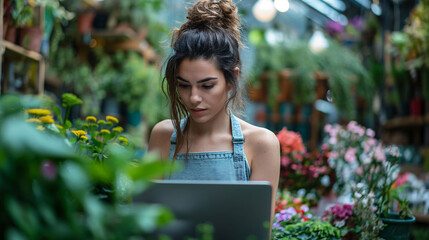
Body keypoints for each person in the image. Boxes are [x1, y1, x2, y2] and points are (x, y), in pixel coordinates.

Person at [148, 0, 280, 226]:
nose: (193, 98)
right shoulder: (162, 136)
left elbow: (258, 232)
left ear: (233, 79)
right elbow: (145, 223)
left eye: (207, 85)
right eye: (184, 85)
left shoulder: (261, 144)